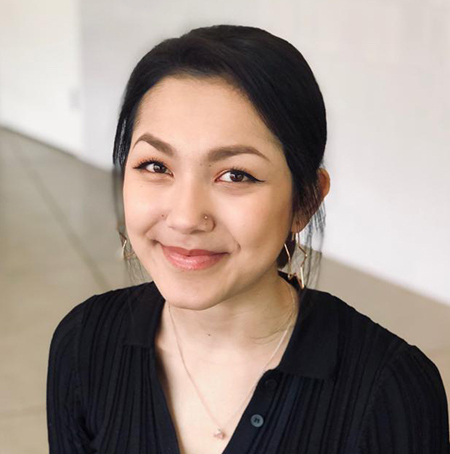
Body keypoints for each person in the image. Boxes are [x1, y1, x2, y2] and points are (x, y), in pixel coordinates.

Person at [46, 24, 450, 454]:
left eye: (235, 175)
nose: (185, 218)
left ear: (305, 201)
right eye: (156, 166)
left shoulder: (390, 391)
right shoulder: (83, 344)